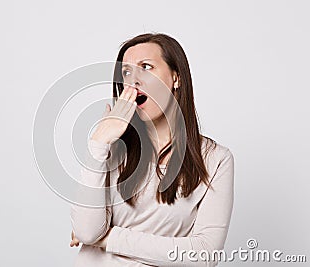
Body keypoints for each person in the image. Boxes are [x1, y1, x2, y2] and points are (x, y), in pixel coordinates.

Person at [69, 33, 234, 266]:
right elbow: (87, 232)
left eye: (146, 67)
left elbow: (204, 254)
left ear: (176, 78)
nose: (134, 80)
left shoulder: (215, 159)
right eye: (126, 73)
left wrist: (107, 237)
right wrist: (98, 144)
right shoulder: (110, 149)